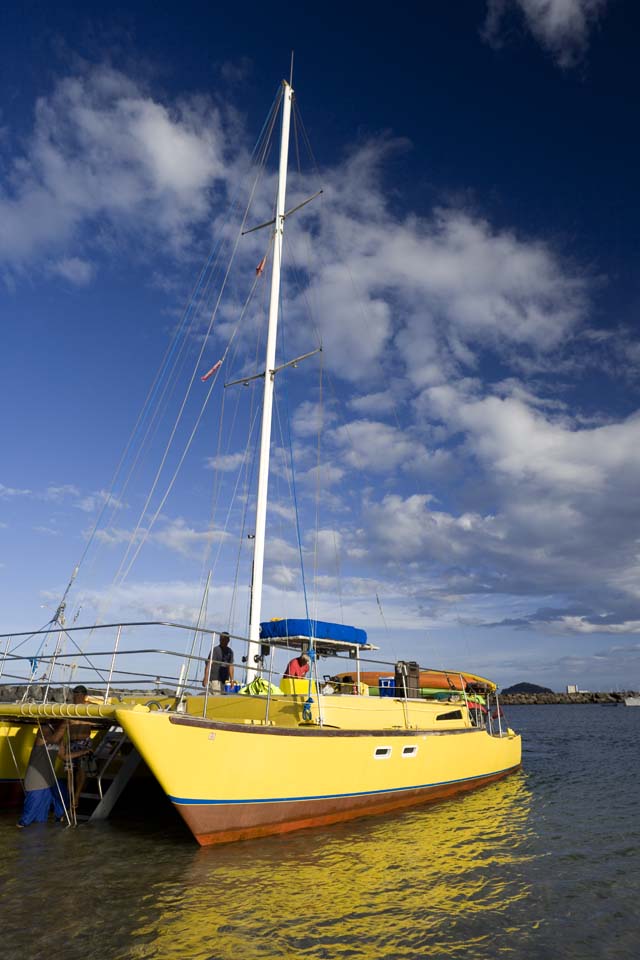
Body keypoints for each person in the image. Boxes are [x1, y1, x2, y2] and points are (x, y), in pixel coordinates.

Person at [17, 721, 67, 828]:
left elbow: (64, 756)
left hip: (48, 781)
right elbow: (53, 739)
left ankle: (40, 840)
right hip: (36, 780)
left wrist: (84, 752)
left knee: (41, 820)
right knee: (26, 819)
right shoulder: (43, 729)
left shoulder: (59, 736)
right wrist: (66, 723)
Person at [59, 684, 95, 813]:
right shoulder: (69, 709)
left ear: (84, 696)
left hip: (84, 742)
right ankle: (70, 798)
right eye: (75, 694)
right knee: (69, 772)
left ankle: (76, 796)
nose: (76, 696)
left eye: (79, 694)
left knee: (81, 770)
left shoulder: (91, 708)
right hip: (72, 742)